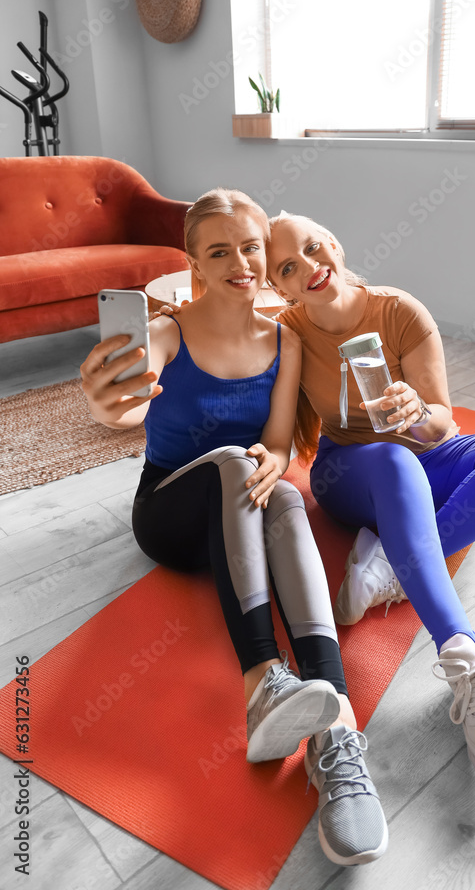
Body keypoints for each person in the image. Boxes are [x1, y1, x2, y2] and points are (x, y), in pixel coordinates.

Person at [79, 189, 388, 867]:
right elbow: (130, 409)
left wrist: (272, 461)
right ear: (194, 262)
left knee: (279, 494)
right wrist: (110, 407)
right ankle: (260, 681)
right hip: (171, 515)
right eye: (219, 250)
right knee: (229, 463)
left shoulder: (283, 339)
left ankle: (336, 730)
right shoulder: (166, 330)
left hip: (247, 520)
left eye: (250, 247)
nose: (240, 262)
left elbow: (277, 445)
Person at [264, 211, 475, 780]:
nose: (311, 268)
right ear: (279, 286)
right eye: (289, 268)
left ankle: (391, 565)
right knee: (394, 458)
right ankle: (468, 662)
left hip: (424, 455)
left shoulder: (399, 311)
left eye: (314, 248)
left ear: (336, 244)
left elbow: (443, 424)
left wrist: (418, 413)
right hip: (347, 472)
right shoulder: (291, 333)